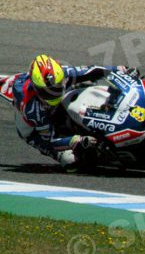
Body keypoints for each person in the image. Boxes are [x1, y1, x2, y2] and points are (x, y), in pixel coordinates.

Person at [5, 54, 135, 170]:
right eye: (48, 91)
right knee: (70, 161)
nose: (53, 92)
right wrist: (76, 140)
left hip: (57, 106)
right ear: (36, 88)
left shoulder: (63, 73)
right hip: (36, 132)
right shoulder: (33, 109)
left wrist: (120, 70)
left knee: (88, 85)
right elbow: (52, 140)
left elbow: (93, 70)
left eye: (57, 87)